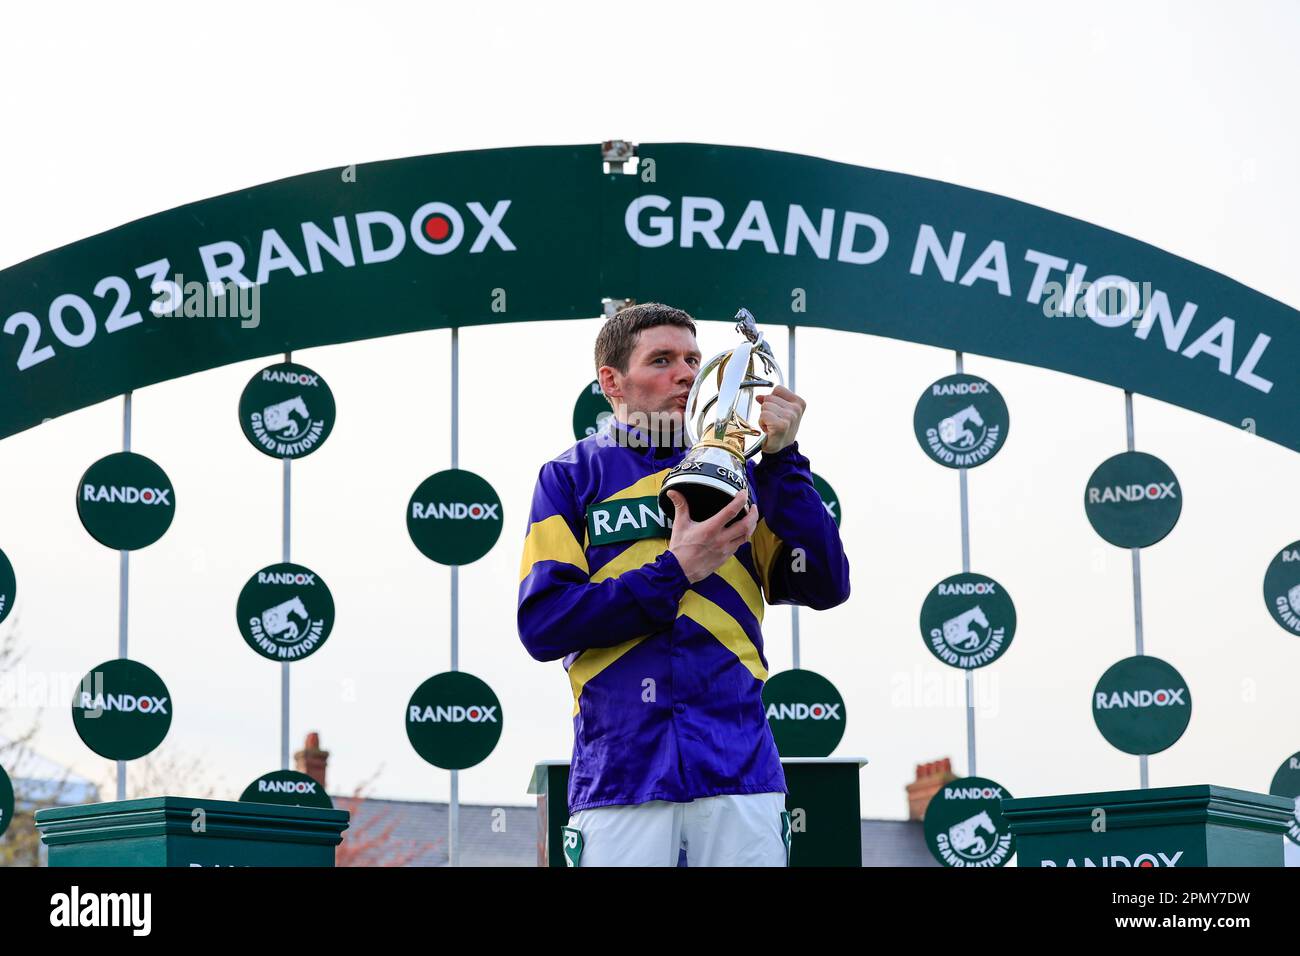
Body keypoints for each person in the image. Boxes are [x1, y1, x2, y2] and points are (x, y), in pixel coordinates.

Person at [516, 303, 851, 866]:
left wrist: (784, 458)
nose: (687, 375)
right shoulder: (572, 475)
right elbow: (545, 624)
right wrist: (676, 572)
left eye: (694, 360)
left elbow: (824, 583)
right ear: (611, 381)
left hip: (740, 773)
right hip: (621, 778)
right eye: (662, 360)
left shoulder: (749, 471)